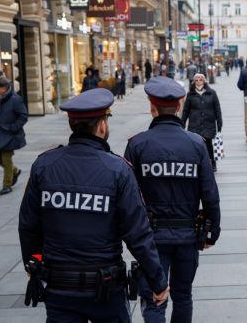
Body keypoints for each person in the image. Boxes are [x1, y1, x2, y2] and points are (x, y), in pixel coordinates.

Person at [18, 88, 169, 321]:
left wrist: (33, 265)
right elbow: (138, 233)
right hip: (105, 289)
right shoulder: (118, 169)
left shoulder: (44, 165)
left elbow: (29, 226)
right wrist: (158, 281)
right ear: (101, 126)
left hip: (59, 288)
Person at [125, 77, 221, 322]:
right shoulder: (196, 144)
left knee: (155, 299)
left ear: (151, 106)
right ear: (180, 106)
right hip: (187, 234)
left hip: (151, 237)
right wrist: (213, 230)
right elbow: (210, 193)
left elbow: (129, 198)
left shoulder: (137, 144)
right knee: (183, 295)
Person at [182, 73, 223, 172]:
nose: (198, 81)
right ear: (194, 82)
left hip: (208, 124)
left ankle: (212, 162)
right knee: (195, 144)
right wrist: (182, 123)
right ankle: (197, 163)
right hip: (194, 124)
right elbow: (186, 110)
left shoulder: (211, 93)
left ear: (204, 81)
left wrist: (219, 123)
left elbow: (217, 108)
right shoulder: (190, 94)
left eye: (201, 79)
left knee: (209, 144)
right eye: (196, 79)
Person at [0, 76, 27, 195]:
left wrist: (13, 128)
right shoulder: (0, 98)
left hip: (9, 135)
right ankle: (15, 171)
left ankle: (7, 185)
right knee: (1, 160)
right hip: (0, 134)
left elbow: (23, 116)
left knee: (6, 160)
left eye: (0, 88)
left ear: (5, 88)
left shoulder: (15, 99)